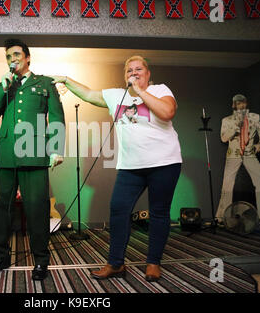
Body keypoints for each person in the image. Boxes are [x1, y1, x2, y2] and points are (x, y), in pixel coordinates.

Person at [51, 55, 182, 282]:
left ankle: (153, 263)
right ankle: (116, 264)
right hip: (130, 166)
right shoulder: (115, 96)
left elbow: (167, 112)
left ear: (148, 73)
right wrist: (66, 79)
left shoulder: (160, 90)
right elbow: (89, 94)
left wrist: (140, 92)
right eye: (129, 70)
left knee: (159, 212)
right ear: (124, 75)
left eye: (138, 69)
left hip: (164, 163)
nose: (133, 73)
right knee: (119, 210)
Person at [0, 39, 65, 280]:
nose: (13, 60)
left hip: (35, 153)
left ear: (28, 58)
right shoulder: (3, 85)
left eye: (16, 55)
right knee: (3, 209)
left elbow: (57, 117)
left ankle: (41, 261)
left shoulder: (45, 83)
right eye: (8, 57)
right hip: (7, 155)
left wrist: (55, 148)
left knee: (37, 209)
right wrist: (2, 88)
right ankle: (0, 256)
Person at [215, 94, 260, 226]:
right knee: (227, 185)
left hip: (249, 153)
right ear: (234, 105)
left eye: (243, 103)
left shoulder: (254, 117)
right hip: (233, 154)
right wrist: (235, 127)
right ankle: (221, 217)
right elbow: (223, 138)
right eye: (238, 103)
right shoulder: (227, 120)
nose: (241, 106)